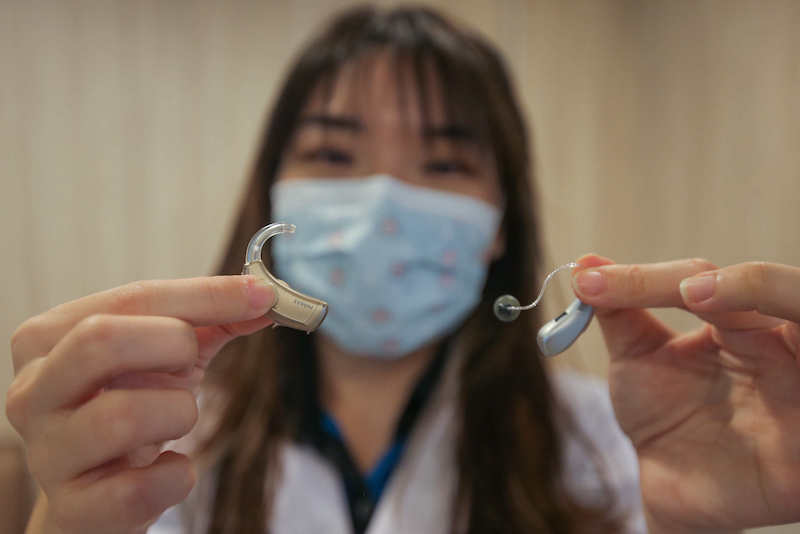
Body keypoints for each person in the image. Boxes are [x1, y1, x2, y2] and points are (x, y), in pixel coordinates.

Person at [6, 5, 800, 534]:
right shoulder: (164, 440)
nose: (384, 204)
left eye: (445, 163)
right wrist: (66, 521)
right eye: (333, 153)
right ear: (272, 191)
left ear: (500, 226)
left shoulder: (621, 444)